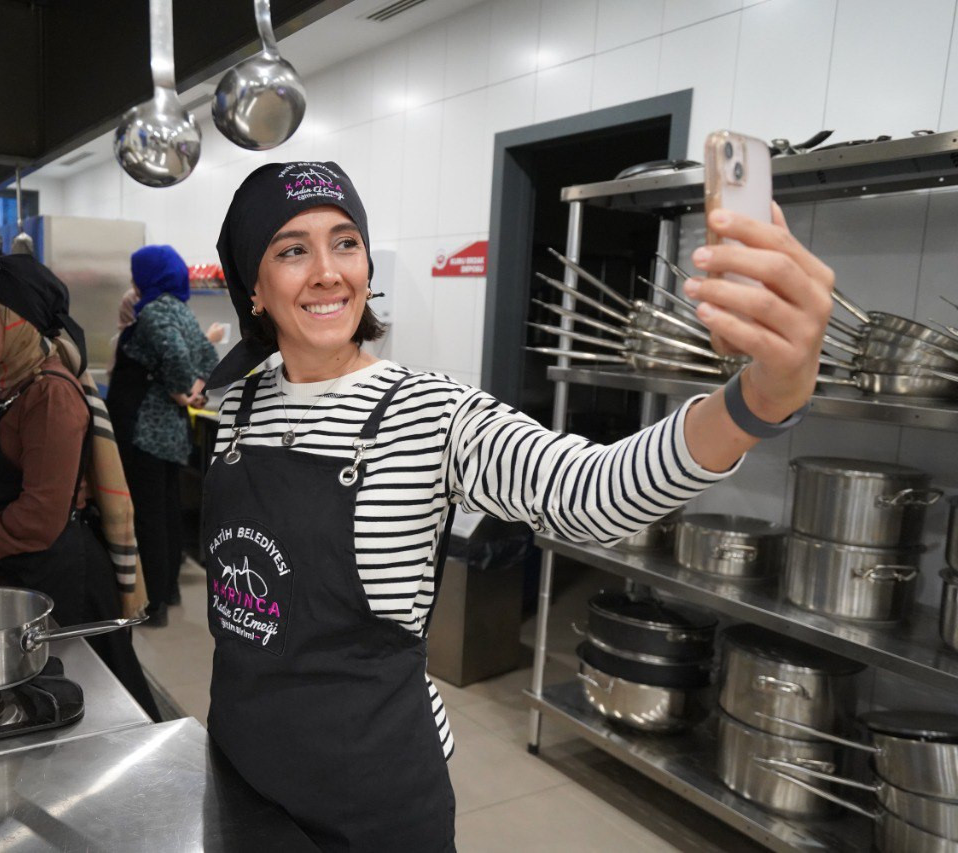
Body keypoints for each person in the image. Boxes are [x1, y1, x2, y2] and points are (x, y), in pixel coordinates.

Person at [200, 161, 834, 851]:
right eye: (293, 250)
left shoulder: (430, 413)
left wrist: (759, 399)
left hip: (366, 795)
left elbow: (592, 490)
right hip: (240, 768)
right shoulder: (239, 405)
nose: (328, 272)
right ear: (254, 286)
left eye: (345, 242)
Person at [0, 254, 158, 720]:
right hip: (18, 566)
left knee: (89, 710)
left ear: (22, 320)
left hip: (59, 579)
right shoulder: (2, 382)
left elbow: (40, 512)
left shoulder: (49, 394)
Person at [105, 245, 219, 627]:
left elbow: (178, 360)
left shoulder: (153, 312)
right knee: (167, 512)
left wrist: (181, 387)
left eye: (136, 272)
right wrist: (190, 390)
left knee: (149, 517)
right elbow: (209, 359)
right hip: (169, 431)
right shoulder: (180, 310)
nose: (133, 280)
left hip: (145, 431)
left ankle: (153, 604)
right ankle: (167, 590)